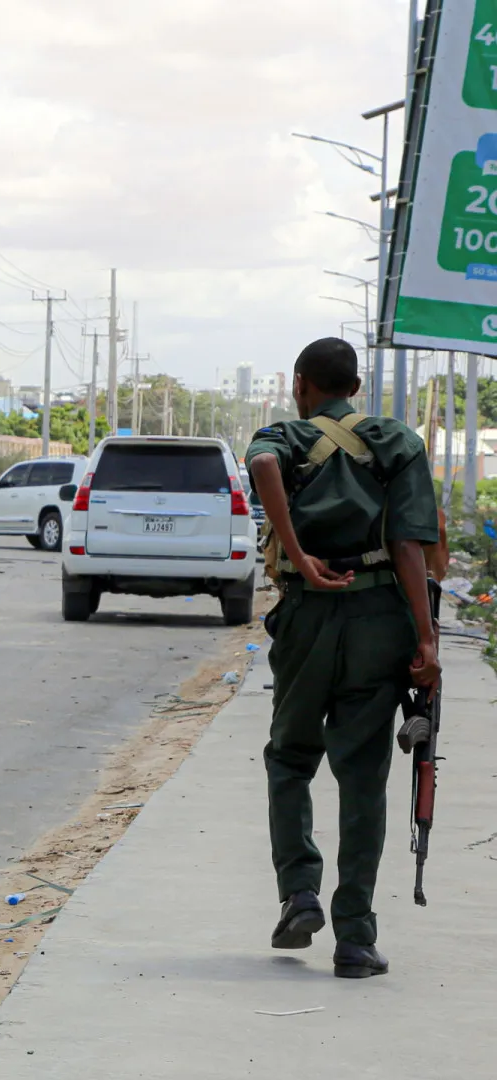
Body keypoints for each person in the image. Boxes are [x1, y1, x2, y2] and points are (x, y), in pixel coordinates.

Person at [245, 336, 440, 980]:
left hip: (307, 614)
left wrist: (299, 557)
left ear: (301, 384)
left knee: (290, 758)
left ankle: (299, 892)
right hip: (381, 615)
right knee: (363, 774)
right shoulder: (398, 442)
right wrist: (426, 638)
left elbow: (264, 469)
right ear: (355, 388)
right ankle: (355, 937)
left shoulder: (285, 436)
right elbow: (412, 546)